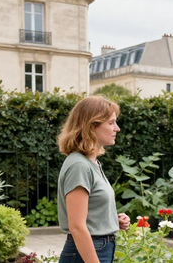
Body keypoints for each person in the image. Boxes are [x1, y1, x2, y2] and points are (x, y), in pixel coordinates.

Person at [56, 96, 130, 263]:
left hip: (99, 248)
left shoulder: (91, 163)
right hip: (87, 252)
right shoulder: (79, 166)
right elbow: (77, 227)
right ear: (92, 126)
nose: (117, 128)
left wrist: (110, 221)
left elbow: (88, 214)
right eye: (111, 123)